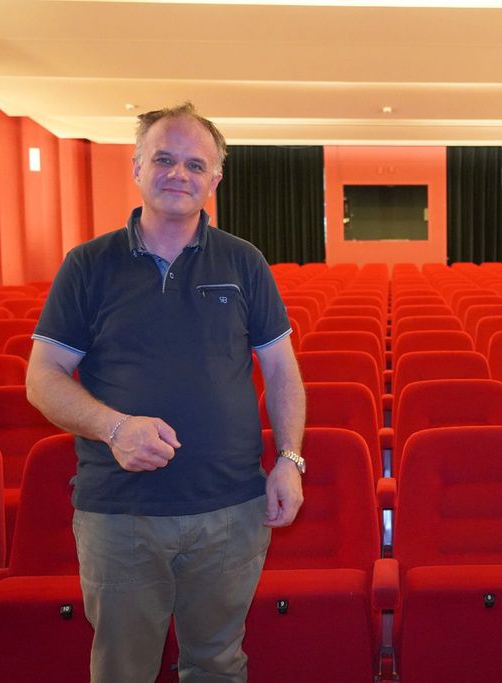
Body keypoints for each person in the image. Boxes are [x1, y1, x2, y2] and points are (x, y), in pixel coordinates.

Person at [26, 102, 306, 682]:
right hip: (121, 513)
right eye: (164, 159)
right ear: (137, 167)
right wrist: (114, 428)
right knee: (123, 669)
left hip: (231, 508)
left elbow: (281, 370)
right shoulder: (88, 265)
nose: (179, 173)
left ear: (214, 180)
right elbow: (43, 377)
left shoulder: (244, 261)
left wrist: (289, 459)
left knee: (218, 663)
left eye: (195, 164)